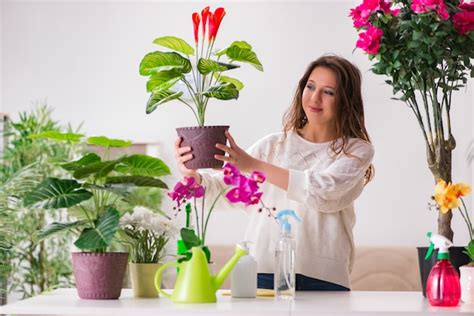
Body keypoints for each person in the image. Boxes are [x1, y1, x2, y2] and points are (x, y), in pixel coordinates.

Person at [175, 55, 374, 291]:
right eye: (310, 87)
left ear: (345, 100)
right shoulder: (272, 146)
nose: (315, 98)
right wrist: (190, 175)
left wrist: (253, 165)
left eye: (328, 92)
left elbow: (322, 191)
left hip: (324, 278)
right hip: (263, 271)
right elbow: (219, 192)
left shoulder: (355, 151)